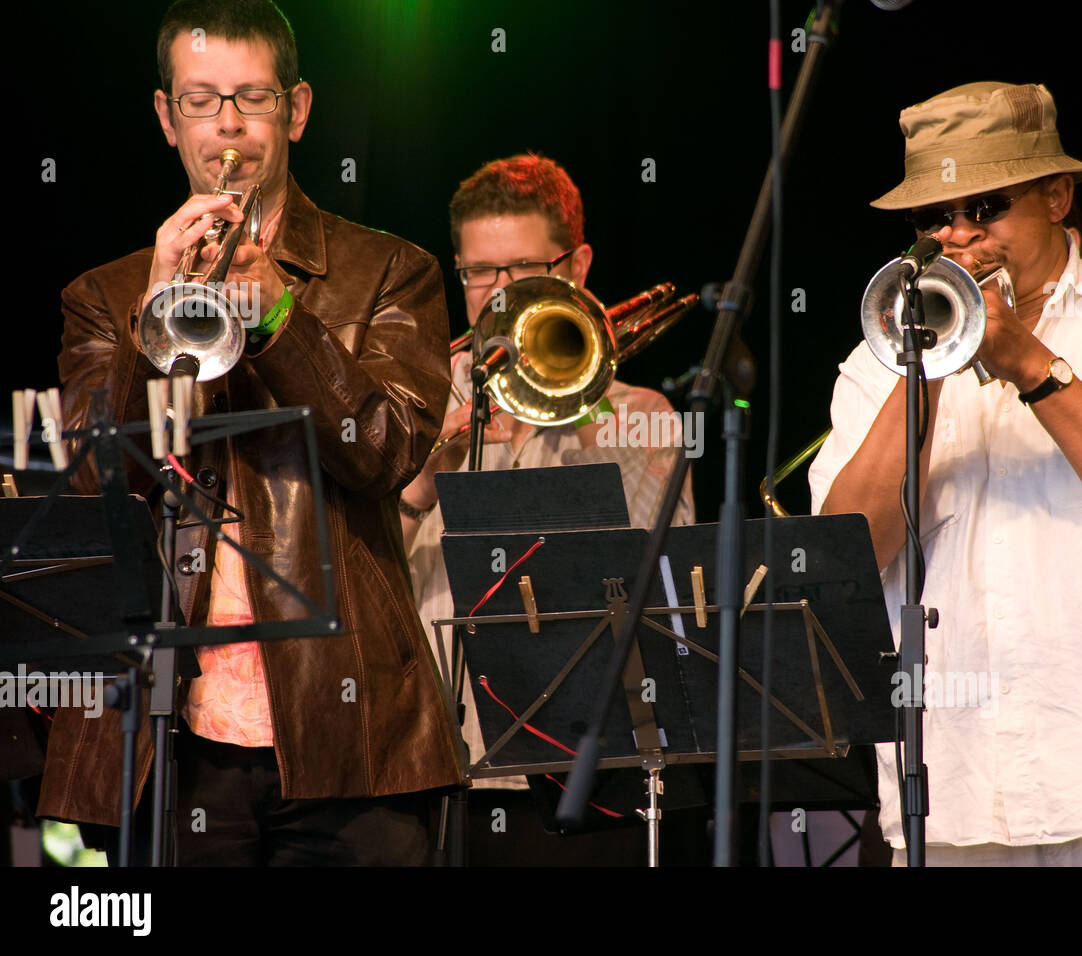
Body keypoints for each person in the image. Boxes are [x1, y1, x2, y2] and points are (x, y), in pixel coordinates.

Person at [38, 0, 462, 865]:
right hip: (167, 739)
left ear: (297, 111)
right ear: (167, 118)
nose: (227, 126)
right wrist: (151, 311)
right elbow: (94, 488)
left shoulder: (392, 270)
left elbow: (384, 451)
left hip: (351, 734)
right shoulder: (101, 294)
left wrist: (280, 312)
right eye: (201, 101)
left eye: (252, 98)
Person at [810, 81, 1082, 866]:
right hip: (953, 799)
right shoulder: (879, 363)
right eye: (935, 219)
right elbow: (848, 556)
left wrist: (1029, 364)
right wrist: (930, 366)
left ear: (1056, 196)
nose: (961, 236)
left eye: (987, 208)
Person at [401, 154, 698, 864]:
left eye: (524, 270)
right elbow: (361, 581)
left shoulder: (643, 418)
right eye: (480, 272)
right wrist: (419, 479)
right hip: (438, 770)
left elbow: (665, 602)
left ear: (578, 265)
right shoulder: (413, 405)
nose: (499, 295)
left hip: (586, 779)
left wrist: (579, 423)